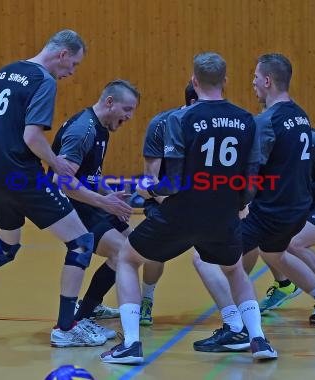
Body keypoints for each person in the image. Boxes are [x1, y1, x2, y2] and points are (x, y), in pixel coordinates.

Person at [0, 29, 108, 347]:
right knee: (82, 242)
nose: (72, 73)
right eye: (74, 65)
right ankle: (67, 329)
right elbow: (32, 137)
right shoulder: (44, 81)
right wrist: (56, 163)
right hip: (22, 176)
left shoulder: (4, 72)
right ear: (63, 54)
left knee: (6, 245)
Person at [100, 52, 278, 364]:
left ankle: (130, 344)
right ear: (225, 81)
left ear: (194, 82)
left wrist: (147, 189)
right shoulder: (246, 120)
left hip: (181, 213)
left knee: (128, 259)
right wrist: (238, 206)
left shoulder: (179, 119)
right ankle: (258, 340)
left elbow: (172, 182)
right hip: (223, 213)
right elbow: (251, 181)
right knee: (235, 270)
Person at [240, 53, 315, 326]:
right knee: (274, 252)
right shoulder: (300, 115)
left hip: (276, 208)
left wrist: (237, 200)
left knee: (212, 255)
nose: (252, 83)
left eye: (255, 77)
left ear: (267, 81)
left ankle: (238, 325)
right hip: (296, 205)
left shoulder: (266, 121)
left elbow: (254, 172)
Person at [49, 79, 139, 344]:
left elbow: (87, 176)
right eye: (127, 109)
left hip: (88, 200)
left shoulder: (101, 129)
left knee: (134, 248)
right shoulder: (83, 130)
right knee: (122, 252)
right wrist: (104, 203)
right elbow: (61, 181)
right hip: (70, 205)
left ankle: (91, 308)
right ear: (109, 102)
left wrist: (107, 194)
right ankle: (82, 316)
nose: (129, 117)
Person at [242, 127, 315, 315]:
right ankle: (284, 284)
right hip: (301, 203)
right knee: (264, 234)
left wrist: (304, 189)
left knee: (295, 245)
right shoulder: (269, 147)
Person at [138, 81, 198, 326]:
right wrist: (172, 203)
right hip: (167, 199)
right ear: (193, 103)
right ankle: (146, 300)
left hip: (205, 201)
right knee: (153, 251)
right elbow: (149, 179)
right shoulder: (161, 125)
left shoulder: (215, 124)